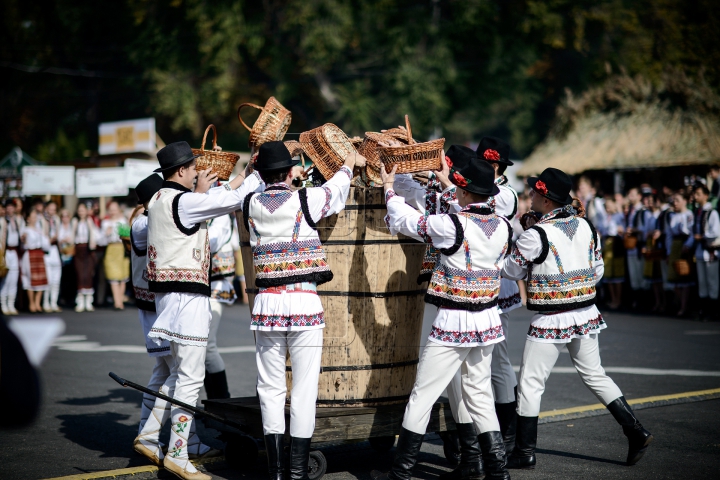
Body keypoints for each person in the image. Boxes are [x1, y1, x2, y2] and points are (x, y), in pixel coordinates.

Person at [372, 148, 511, 480]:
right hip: (487, 323)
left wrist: (389, 189)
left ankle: (401, 473)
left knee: (422, 395)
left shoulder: (452, 225)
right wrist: (449, 188)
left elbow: (408, 222)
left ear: (464, 190)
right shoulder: (503, 226)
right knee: (479, 394)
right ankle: (497, 471)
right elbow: (460, 206)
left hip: (454, 322)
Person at [502, 168, 653, 470]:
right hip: (585, 314)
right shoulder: (585, 226)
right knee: (595, 375)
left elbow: (511, 270)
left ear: (545, 199)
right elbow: (597, 271)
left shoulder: (536, 235)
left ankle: (524, 450)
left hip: (551, 319)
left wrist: (526, 242)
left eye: (533, 192)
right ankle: (636, 431)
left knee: (531, 384)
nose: (529, 195)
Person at [239, 142, 364, 480]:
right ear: (290, 171)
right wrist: (348, 165)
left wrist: (253, 169)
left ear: (262, 173)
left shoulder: (249, 202)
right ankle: (297, 472)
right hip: (304, 302)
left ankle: (277, 472)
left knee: (270, 387)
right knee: (305, 387)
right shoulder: (305, 199)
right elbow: (336, 191)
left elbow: (247, 184)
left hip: (267, 305)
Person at [139, 141, 254, 480]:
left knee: (175, 375)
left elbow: (213, 201)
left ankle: (148, 436)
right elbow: (229, 201)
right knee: (190, 378)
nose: (196, 173)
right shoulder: (183, 201)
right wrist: (248, 174)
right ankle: (177, 454)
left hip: (166, 297)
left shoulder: (159, 198)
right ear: (181, 171)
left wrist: (213, 188)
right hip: (187, 298)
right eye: (192, 168)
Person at [129, 174, 175, 466]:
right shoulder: (144, 223)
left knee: (163, 372)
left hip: (154, 307)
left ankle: (147, 434)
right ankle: (152, 436)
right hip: (154, 309)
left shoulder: (143, 220)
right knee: (179, 374)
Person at [204, 212, 236, 399]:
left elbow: (212, 242)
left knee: (208, 345)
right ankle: (214, 401)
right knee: (199, 346)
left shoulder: (220, 214)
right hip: (200, 284)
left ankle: (222, 400)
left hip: (216, 283)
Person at [685, 184, 719, 320]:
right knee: (702, 282)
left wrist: (702, 236)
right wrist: (689, 244)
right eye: (695, 194)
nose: (696, 196)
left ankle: (714, 311)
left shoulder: (712, 212)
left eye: (698, 193)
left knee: (712, 282)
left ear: (706, 195)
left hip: (710, 251)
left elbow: (716, 232)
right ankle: (704, 310)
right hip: (700, 252)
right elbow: (693, 232)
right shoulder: (697, 212)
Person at [624, 188, 653, 309]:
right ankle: (636, 300)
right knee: (633, 275)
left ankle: (645, 301)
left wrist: (635, 230)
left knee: (641, 274)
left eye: (632, 194)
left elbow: (647, 229)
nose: (630, 196)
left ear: (639, 196)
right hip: (631, 246)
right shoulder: (630, 210)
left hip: (639, 245)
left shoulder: (643, 212)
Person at [666, 193, 694, 316]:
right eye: (673, 201)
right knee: (674, 278)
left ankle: (684, 306)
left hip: (685, 246)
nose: (675, 203)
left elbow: (692, 232)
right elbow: (669, 235)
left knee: (684, 277)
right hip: (675, 246)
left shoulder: (689, 215)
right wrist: (668, 251)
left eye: (677, 200)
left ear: (684, 201)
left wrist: (688, 245)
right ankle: (681, 303)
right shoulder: (673, 216)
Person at [102, 201, 130, 310]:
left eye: (115, 209)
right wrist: (106, 234)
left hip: (122, 248)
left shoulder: (123, 221)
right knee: (113, 276)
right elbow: (101, 240)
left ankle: (120, 301)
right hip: (111, 249)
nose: (113, 211)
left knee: (122, 277)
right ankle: (117, 302)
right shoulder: (105, 223)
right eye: (111, 209)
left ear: (118, 210)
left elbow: (128, 235)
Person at [21, 210, 50, 312]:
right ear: (28, 219)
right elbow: (23, 239)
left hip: (39, 254)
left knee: (41, 279)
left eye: (35, 216)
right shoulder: (26, 230)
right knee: (30, 279)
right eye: (32, 216)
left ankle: (38, 303)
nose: (34, 218)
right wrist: (24, 238)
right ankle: (31, 303)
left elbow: (46, 243)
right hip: (30, 254)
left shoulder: (39, 230)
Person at [72, 203, 97, 312]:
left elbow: (94, 234)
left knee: (88, 275)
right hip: (78, 249)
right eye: (80, 210)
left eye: (83, 210)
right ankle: (80, 301)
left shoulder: (89, 221)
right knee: (80, 275)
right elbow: (71, 235)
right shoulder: (75, 222)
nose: (81, 212)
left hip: (88, 250)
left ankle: (89, 301)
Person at [602, 197, 625, 310]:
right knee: (608, 273)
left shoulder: (619, 216)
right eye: (606, 206)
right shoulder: (606, 217)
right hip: (607, 243)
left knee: (617, 273)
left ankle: (618, 300)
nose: (608, 208)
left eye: (610, 205)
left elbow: (622, 229)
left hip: (616, 243)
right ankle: (613, 298)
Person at [1, 200, 22, 315]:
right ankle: (3, 304)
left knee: (13, 279)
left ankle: (11, 304)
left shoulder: (18, 221)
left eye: (11, 207)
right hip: (6, 251)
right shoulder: (3, 221)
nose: (9, 209)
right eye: (7, 207)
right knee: (5, 280)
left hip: (14, 251)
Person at [42, 201, 63, 312]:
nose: (52, 212)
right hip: (47, 251)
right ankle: (46, 303)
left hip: (55, 251)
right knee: (48, 280)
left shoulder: (57, 220)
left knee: (56, 280)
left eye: (54, 210)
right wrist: (49, 240)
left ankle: (54, 302)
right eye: (50, 209)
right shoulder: (42, 220)